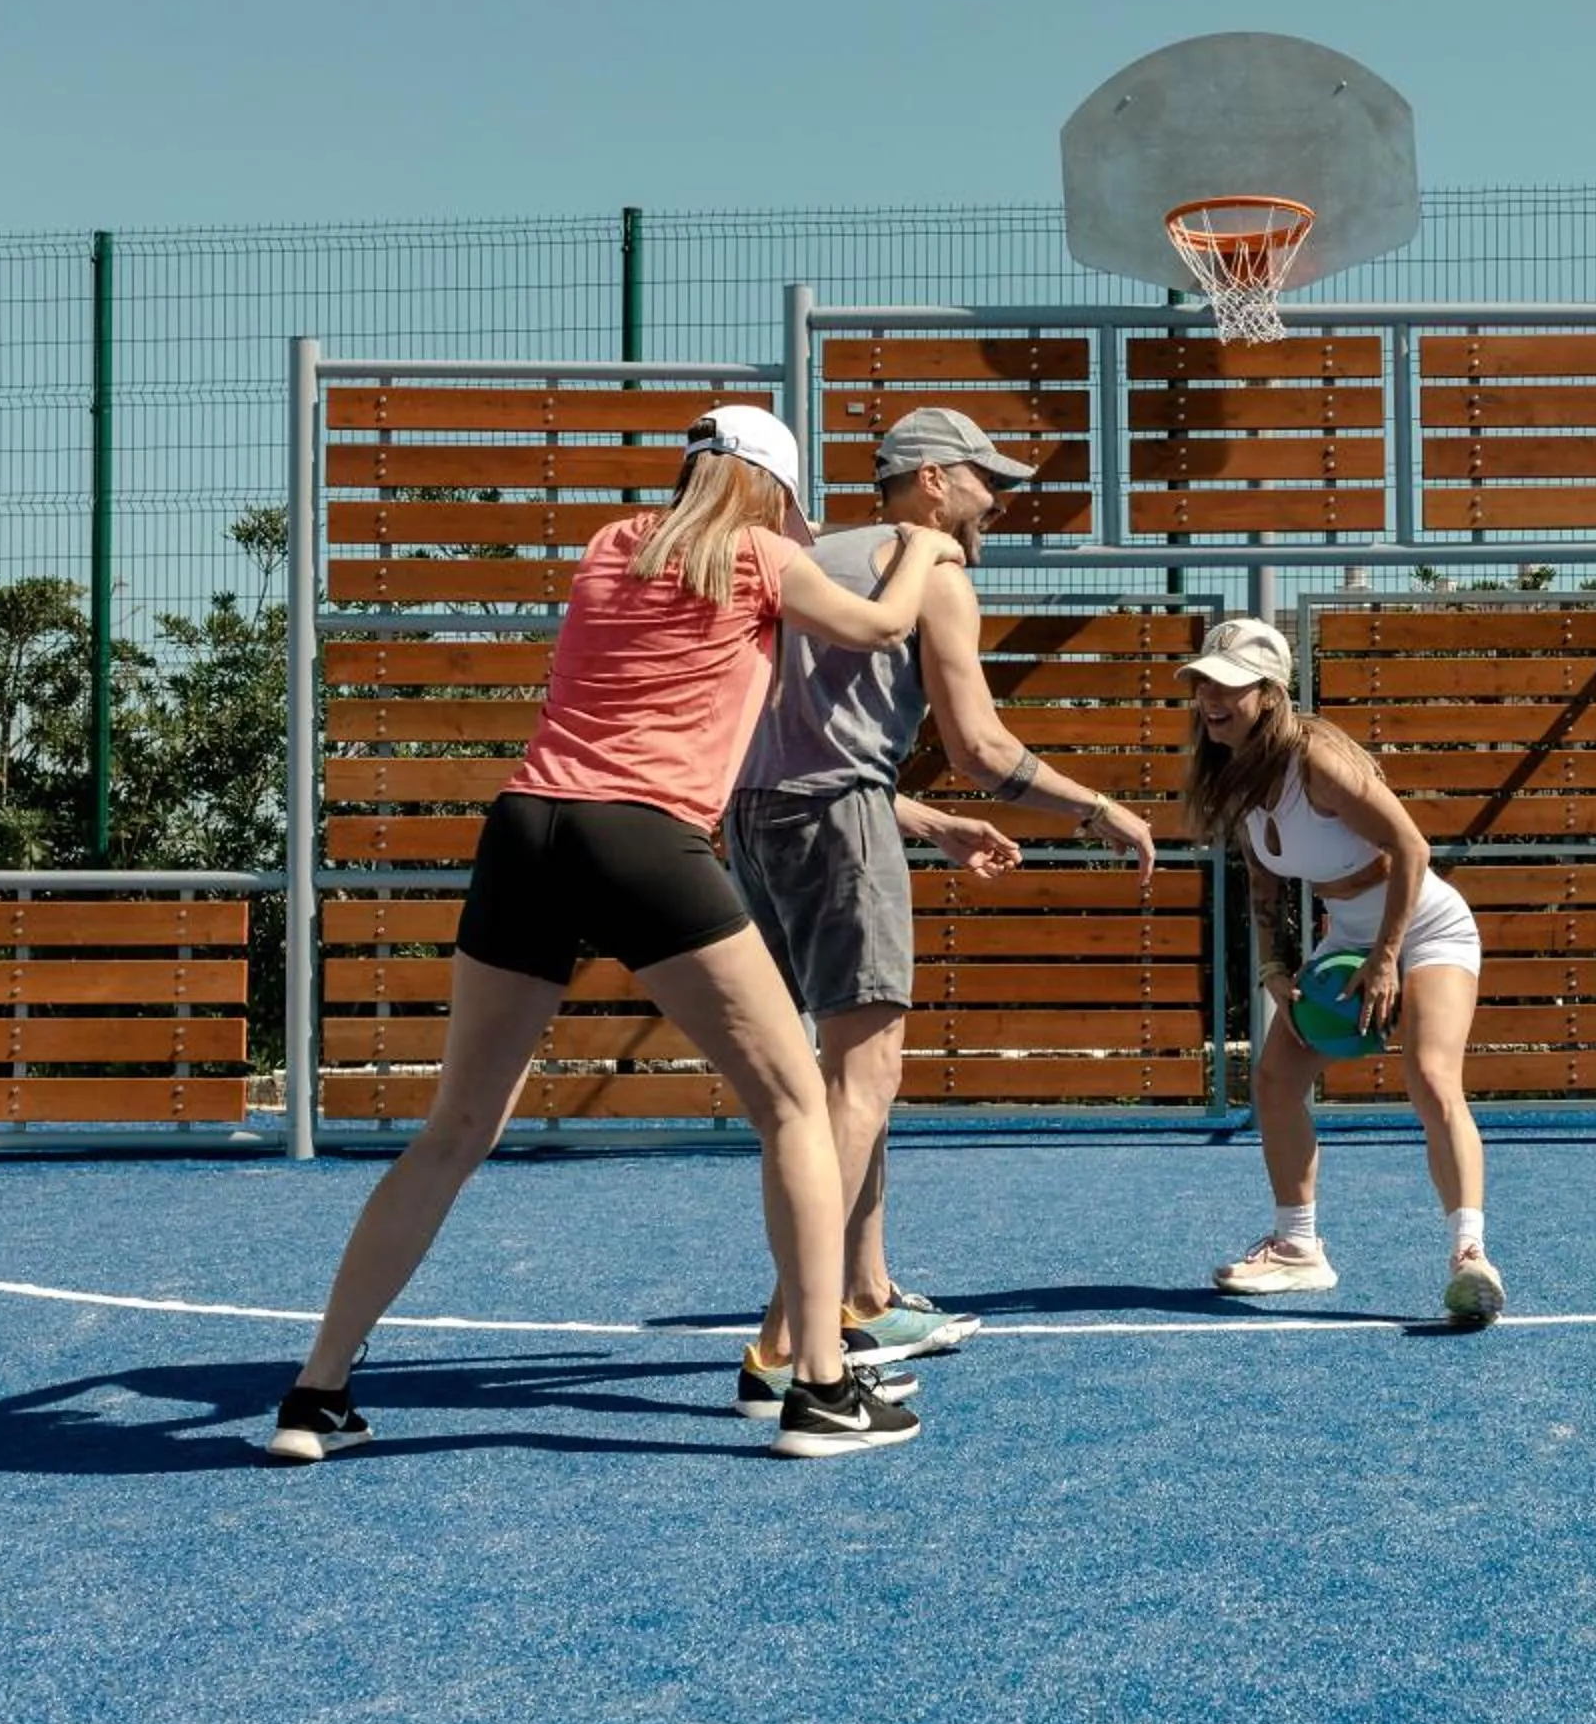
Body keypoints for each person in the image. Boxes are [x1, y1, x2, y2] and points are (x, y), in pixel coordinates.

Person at [267, 405, 968, 1462]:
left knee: (455, 1129)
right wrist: (917, 547)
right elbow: (876, 629)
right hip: (640, 837)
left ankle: (315, 1393)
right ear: (775, 491)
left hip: (526, 828)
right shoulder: (763, 555)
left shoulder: (609, 543)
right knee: (794, 1105)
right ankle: (820, 1388)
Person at [724, 405, 1159, 1415]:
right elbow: (981, 747)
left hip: (753, 823)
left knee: (837, 1074)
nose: (997, 502)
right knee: (864, 1079)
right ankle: (789, 1340)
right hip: (837, 825)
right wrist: (1095, 807)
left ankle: (864, 1291)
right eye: (984, 481)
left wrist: (920, 820)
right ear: (929, 480)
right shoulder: (940, 575)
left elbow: (790, 738)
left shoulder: (799, 553)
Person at [1177, 616, 1506, 1325]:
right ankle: (1298, 1249)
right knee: (1273, 1078)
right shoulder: (1237, 776)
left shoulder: (1316, 760)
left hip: (1425, 926)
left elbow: (1413, 847)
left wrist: (1387, 957)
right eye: (1203, 683)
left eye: (1229, 686)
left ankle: (1469, 1255)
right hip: (1352, 937)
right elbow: (1263, 881)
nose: (1210, 698)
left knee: (1429, 1074)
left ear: (1269, 694)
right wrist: (1272, 969)